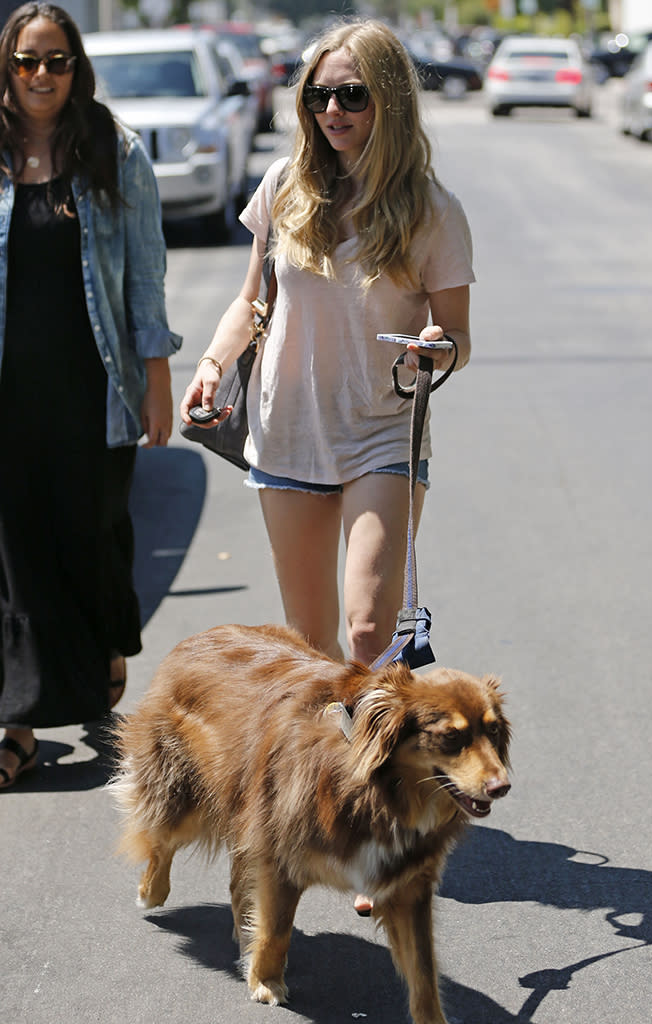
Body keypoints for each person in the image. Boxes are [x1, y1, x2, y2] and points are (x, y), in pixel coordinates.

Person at [181, 15, 473, 903]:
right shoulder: (284, 186)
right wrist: (211, 365)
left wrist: (435, 349)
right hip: (286, 432)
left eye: (352, 93)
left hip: (384, 428)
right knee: (309, 657)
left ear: (388, 99)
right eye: (320, 94)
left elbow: (457, 334)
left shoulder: (430, 207)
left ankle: (386, 825)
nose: (334, 109)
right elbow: (251, 301)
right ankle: (324, 810)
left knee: (366, 634)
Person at [0, 3, 181, 789]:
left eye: (57, 61)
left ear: (78, 67)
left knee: (94, 537)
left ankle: (105, 654)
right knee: (12, 555)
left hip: (92, 388)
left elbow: (145, 275)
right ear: (6, 68)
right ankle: (15, 720)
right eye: (26, 61)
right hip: (9, 394)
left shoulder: (114, 150)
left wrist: (158, 380)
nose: (42, 75)